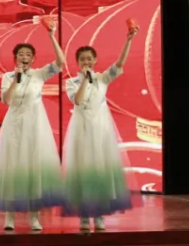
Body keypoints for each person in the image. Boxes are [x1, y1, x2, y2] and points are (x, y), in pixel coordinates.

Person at [0, 19, 66, 232]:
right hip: (14, 125)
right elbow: (7, 100)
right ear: (15, 58)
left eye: (28, 54)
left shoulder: (39, 74)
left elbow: (61, 63)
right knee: (12, 169)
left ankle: (34, 218)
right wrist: (17, 78)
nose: (24, 57)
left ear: (33, 58)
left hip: (35, 125)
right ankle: (9, 217)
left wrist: (51, 35)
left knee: (34, 169)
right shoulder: (7, 76)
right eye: (21, 54)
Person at [63, 25, 138, 231]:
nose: (86, 62)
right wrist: (85, 81)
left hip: (101, 130)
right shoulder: (71, 82)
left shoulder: (103, 78)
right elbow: (78, 100)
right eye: (82, 59)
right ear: (78, 63)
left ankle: (99, 215)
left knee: (101, 170)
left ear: (95, 60)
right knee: (83, 170)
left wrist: (129, 40)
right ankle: (84, 215)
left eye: (89, 58)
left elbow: (120, 63)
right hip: (82, 130)